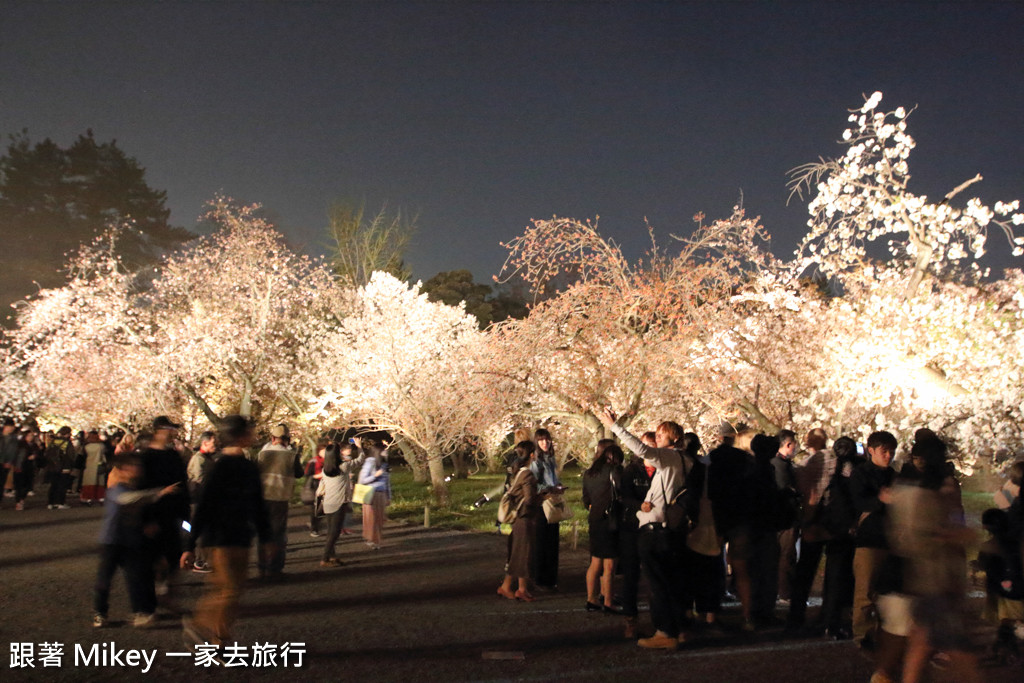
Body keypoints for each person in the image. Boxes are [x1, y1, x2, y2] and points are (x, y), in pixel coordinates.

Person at [596, 406, 691, 650]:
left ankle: (664, 631)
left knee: (657, 582)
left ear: (674, 439)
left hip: (656, 529)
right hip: (669, 527)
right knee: (670, 581)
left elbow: (641, 449)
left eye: (661, 435)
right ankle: (677, 628)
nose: (657, 438)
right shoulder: (684, 461)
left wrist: (615, 426)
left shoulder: (669, 457)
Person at [181, 415, 271, 650]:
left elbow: (205, 507)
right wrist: (267, 536)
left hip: (226, 536)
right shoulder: (233, 467)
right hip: (227, 537)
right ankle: (200, 627)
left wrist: (191, 543)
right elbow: (256, 505)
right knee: (229, 590)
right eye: (250, 431)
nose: (253, 434)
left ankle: (220, 640)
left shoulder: (223, 466)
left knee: (230, 590)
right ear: (241, 436)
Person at [93, 454, 180, 629]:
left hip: (130, 540)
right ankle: (100, 613)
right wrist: (159, 493)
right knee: (104, 579)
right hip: (111, 541)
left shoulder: (134, 488)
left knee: (136, 578)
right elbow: (128, 500)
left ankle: (140, 611)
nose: (137, 469)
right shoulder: (116, 489)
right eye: (132, 466)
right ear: (122, 469)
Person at [850, 429, 898, 649]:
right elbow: (858, 502)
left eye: (892, 451)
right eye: (884, 451)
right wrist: (881, 500)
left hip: (892, 538)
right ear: (871, 451)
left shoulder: (894, 475)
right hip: (870, 537)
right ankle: (862, 634)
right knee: (865, 591)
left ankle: (884, 632)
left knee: (889, 590)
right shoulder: (861, 473)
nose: (888, 455)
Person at [138, 416, 190, 598]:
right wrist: (146, 519)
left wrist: (186, 517)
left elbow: (183, 486)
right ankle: (152, 594)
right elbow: (141, 490)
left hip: (174, 513)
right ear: (160, 430)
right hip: (155, 513)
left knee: (173, 553)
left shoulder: (173, 456)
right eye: (170, 429)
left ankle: (167, 588)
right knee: (153, 554)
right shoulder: (145, 458)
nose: (173, 433)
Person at [617, 432, 655, 638]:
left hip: (654, 527)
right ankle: (630, 620)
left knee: (654, 574)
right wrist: (639, 505)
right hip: (632, 527)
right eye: (645, 445)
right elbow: (625, 497)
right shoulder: (631, 470)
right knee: (631, 575)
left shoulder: (661, 469)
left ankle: (658, 619)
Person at [255, 423, 303, 579]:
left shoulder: (262, 454)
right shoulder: (291, 455)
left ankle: (261, 567)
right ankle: (275, 568)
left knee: (263, 532)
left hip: (262, 497)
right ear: (287, 439)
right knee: (278, 533)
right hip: (280, 497)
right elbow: (299, 473)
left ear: (272, 438)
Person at [582, 439, 624, 613]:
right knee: (609, 565)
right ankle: (608, 600)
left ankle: (591, 599)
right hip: (610, 521)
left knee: (595, 562)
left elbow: (586, 500)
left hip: (595, 520)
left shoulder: (589, 473)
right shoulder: (614, 471)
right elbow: (621, 493)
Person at [497, 440, 539, 602]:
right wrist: (542, 497)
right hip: (524, 517)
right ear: (531, 455)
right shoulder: (527, 474)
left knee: (519, 553)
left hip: (518, 518)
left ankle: (518, 588)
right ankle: (510, 588)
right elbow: (529, 499)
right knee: (521, 554)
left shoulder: (517, 471)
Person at [530, 428, 564, 589]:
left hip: (552, 501)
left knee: (552, 541)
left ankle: (551, 577)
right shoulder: (536, 461)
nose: (545, 443)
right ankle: (540, 577)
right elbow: (535, 484)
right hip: (542, 504)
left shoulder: (550, 459)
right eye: (541, 440)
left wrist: (558, 487)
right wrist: (550, 488)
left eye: (547, 439)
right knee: (541, 542)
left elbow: (553, 479)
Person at [318, 442, 361, 566]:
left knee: (331, 531)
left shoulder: (325, 470)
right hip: (339, 503)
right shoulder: (344, 467)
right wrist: (359, 447)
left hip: (328, 503)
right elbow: (360, 460)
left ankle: (332, 556)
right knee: (334, 532)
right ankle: (325, 558)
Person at [186, 431, 218, 574]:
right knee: (200, 531)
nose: (216, 446)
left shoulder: (206, 459)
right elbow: (199, 482)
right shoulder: (199, 460)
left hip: (204, 500)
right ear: (204, 443)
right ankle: (199, 561)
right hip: (198, 500)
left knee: (204, 531)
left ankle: (202, 559)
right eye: (213, 443)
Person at [358, 438, 391, 549]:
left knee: (380, 518)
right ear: (378, 451)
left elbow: (387, 482)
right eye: (384, 450)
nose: (386, 452)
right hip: (371, 493)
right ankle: (371, 539)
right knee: (371, 518)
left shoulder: (384, 464)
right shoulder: (370, 462)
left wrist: (388, 496)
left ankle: (375, 540)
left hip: (381, 493)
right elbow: (363, 479)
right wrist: (375, 476)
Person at [44, 426, 77, 509]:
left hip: (53, 466)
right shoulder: (67, 443)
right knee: (62, 485)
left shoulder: (53, 441)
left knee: (53, 485)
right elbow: (71, 455)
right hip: (64, 466)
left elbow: (47, 453)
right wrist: (71, 466)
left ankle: (51, 503)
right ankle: (60, 502)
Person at [80, 430, 107, 505]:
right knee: (100, 482)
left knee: (88, 482)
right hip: (100, 465)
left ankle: (88, 498)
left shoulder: (86, 446)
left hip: (88, 466)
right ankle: (100, 497)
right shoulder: (101, 446)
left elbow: (81, 457)